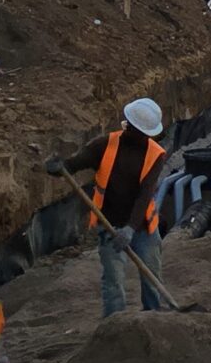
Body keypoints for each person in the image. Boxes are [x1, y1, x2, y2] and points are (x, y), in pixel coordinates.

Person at [45, 97, 171, 316]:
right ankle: (114, 323)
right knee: (113, 279)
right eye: (139, 131)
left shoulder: (156, 155)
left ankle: (153, 317)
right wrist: (59, 167)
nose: (143, 137)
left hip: (143, 226)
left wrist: (131, 228)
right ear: (130, 126)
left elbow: (145, 196)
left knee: (151, 273)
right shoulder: (104, 145)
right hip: (109, 223)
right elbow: (75, 164)